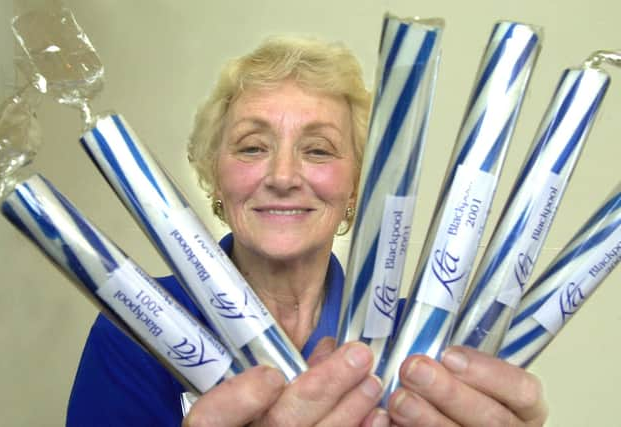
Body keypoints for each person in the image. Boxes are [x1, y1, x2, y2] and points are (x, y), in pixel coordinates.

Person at [67, 36, 548, 427]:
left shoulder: (423, 345)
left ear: (359, 187)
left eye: (318, 150)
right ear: (215, 178)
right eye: (253, 147)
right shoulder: (135, 323)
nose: (282, 176)